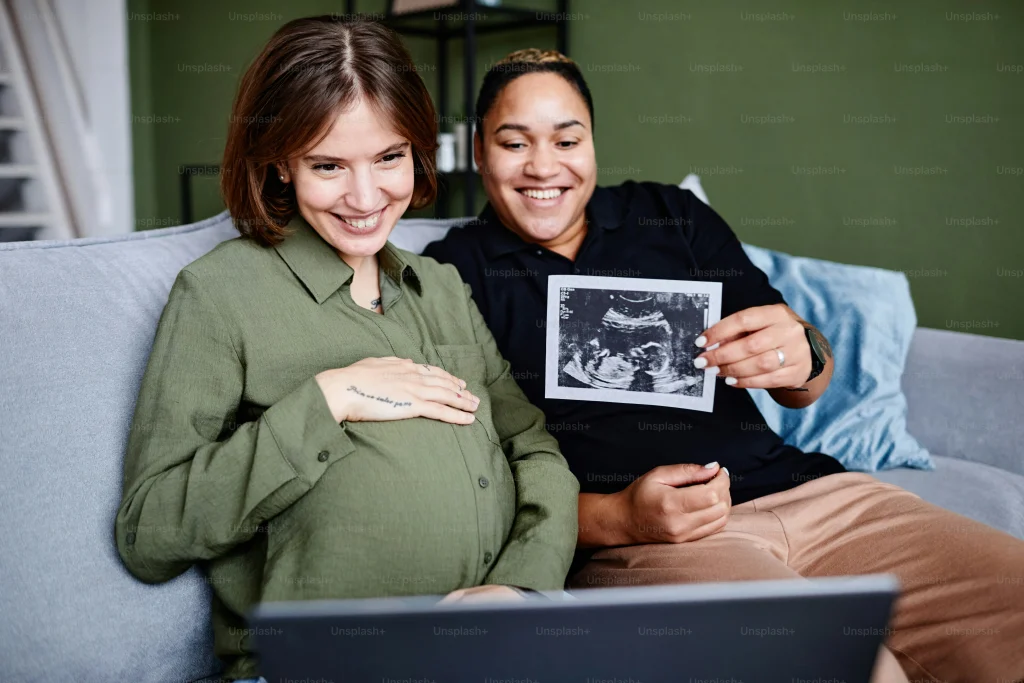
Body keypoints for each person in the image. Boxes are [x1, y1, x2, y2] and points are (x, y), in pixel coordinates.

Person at [423, 48, 1024, 683]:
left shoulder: (670, 215)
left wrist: (800, 353)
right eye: (514, 143)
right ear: (480, 153)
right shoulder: (450, 274)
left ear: (593, 143)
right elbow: (468, 489)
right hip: (657, 542)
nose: (544, 166)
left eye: (567, 140)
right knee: (851, 663)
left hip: (819, 495)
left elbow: (806, 380)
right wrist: (618, 518)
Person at [114, 23, 578, 682]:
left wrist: (520, 585)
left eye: (389, 158)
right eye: (329, 165)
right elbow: (148, 532)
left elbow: (532, 447)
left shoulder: (439, 286)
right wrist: (330, 399)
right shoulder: (220, 294)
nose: (365, 199)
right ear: (280, 161)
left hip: (491, 653)